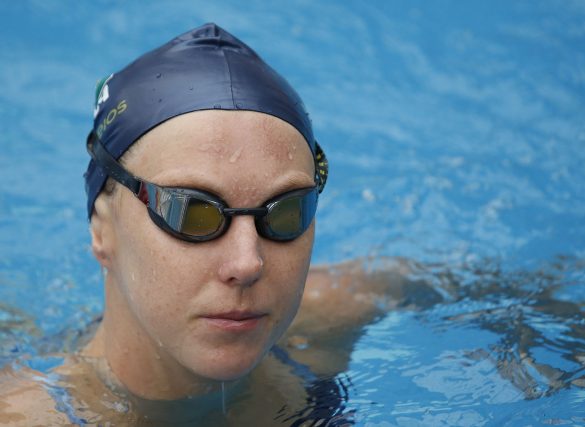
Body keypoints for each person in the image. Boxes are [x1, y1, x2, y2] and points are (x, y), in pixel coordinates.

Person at [0, 22, 393, 426]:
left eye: (285, 211)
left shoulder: (328, 319)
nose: (247, 264)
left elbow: (415, 281)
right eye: (190, 212)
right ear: (102, 229)